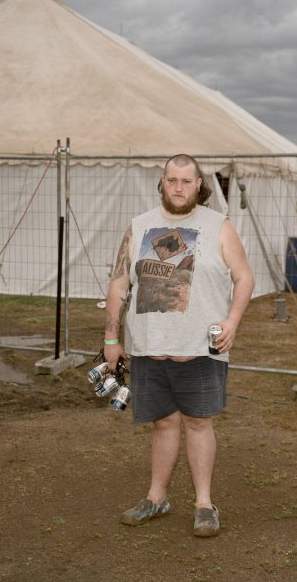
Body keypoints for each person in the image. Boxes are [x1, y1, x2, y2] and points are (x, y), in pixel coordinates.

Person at [103, 154, 254, 538]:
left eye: (187, 181)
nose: (179, 187)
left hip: (201, 349)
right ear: (162, 182)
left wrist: (232, 322)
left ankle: (204, 504)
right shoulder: (139, 226)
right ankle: (157, 498)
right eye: (172, 179)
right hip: (149, 348)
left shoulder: (219, 226)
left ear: (200, 184)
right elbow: (120, 284)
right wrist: (111, 338)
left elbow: (244, 277)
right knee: (163, 424)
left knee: (199, 423)